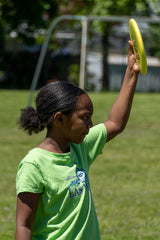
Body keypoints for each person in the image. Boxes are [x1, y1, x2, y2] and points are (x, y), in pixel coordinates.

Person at [15, 41, 139, 240]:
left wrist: (131, 72)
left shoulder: (80, 147)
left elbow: (116, 123)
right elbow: (23, 225)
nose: (90, 125)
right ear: (59, 119)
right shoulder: (34, 164)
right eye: (84, 118)